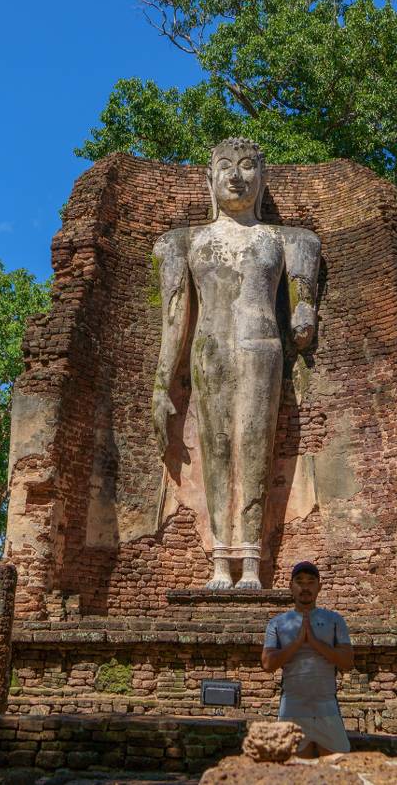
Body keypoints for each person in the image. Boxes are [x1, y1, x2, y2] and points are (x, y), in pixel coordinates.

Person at [151, 137, 320, 589]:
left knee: (254, 448)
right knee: (217, 448)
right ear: (210, 179)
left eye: (247, 167)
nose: (236, 176)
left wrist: (305, 311)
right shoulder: (184, 242)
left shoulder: (288, 240)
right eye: (225, 167)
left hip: (262, 347)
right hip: (210, 350)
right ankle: (219, 563)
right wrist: (161, 384)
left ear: (262, 181)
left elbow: (303, 308)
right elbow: (174, 319)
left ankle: (251, 563)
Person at [261, 561, 353, 756]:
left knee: (335, 774)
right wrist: (296, 643)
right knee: (294, 775)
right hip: (293, 707)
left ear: (319, 587)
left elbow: (347, 662)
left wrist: (314, 642)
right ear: (291, 587)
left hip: (326, 707)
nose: (305, 587)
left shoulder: (334, 620)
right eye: (299, 581)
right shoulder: (277, 623)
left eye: (311, 582)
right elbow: (268, 664)